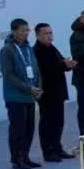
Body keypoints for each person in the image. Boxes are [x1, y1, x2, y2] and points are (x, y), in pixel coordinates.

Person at [1, 17, 43, 169]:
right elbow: (8, 75)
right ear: (14, 32)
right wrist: (27, 88)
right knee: (17, 129)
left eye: (27, 30)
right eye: (23, 31)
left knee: (29, 129)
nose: (26, 33)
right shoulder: (7, 50)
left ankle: (25, 156)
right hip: (16, 96)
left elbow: (36, 69)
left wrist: (38, 86)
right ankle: (16, 159)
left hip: (30, 95)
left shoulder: (28, 48)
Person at [31, 20, 74, 161]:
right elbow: (44, 70)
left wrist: (69, 65)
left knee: (58, 122)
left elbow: (60, 64)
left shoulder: (52, 48)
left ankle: (57, 147)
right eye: (46, 33)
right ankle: (48, 152)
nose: (49, 36)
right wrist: (63, 64)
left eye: (50, 33)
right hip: (46, 93)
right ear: (37, 35)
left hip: (58, 91)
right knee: (47, 123)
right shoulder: (36, 51)